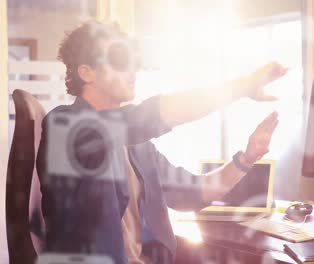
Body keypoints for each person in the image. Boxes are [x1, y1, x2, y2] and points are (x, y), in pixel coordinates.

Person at [36, 20, 287, 264]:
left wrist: (247, 158)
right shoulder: (66, 126)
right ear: (86, 72)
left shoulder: (137, 146)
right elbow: (153, 114)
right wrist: (241, 87)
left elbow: (195, 192)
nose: (132, 71)